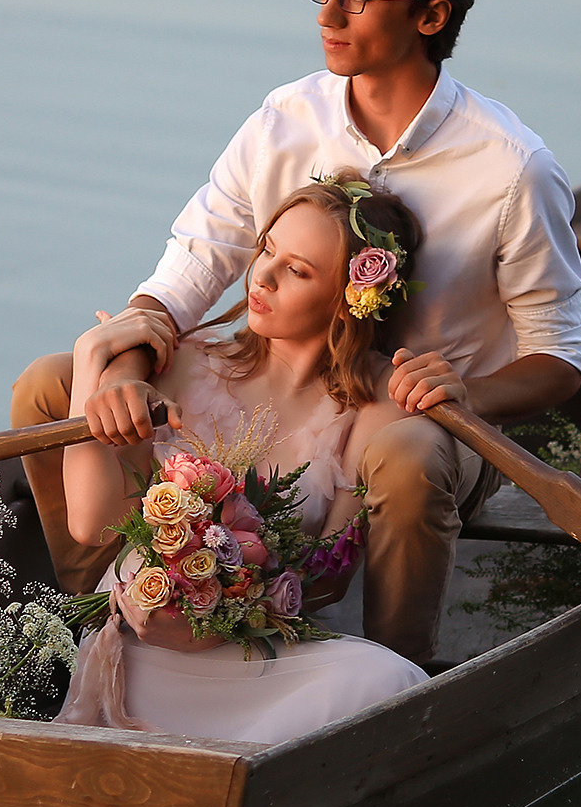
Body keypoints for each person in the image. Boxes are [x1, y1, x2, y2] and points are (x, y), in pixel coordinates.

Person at [13, 0, 581, 666]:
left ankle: (400, 671)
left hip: (414, 414)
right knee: (51, 386)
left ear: (430, 15)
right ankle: (106, 615)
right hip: (269, 379)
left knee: (408, 450)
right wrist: (126, 357)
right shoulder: (287, 118)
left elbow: (560, 357)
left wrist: (469, 392)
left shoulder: (513, 169)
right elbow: (195, 264)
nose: (326, 14)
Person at [54, 177, 447, 744]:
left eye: (298, 270)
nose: (261, 275)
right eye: (267, 249)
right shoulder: (184, 364)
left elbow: (325, 579)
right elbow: (91, 523)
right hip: (146, 639)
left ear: (350, 299)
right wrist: (91, 356)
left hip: (264, 653)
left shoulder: (373, 406)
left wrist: (229, 597)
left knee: (387, 681)